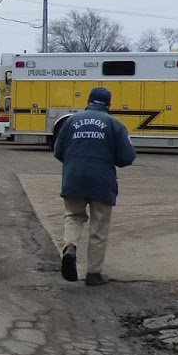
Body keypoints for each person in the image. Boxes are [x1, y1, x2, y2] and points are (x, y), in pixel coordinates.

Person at [53, 85, 136, 286]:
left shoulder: (71, 120)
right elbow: (127, 157)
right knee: (99, 226)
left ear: (88, 101)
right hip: (101, 181)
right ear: (109, 104)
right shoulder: (114, 124)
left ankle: (70, 247)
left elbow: (58, 151)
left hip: (73, 178)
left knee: (73, 216)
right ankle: (94, 274)